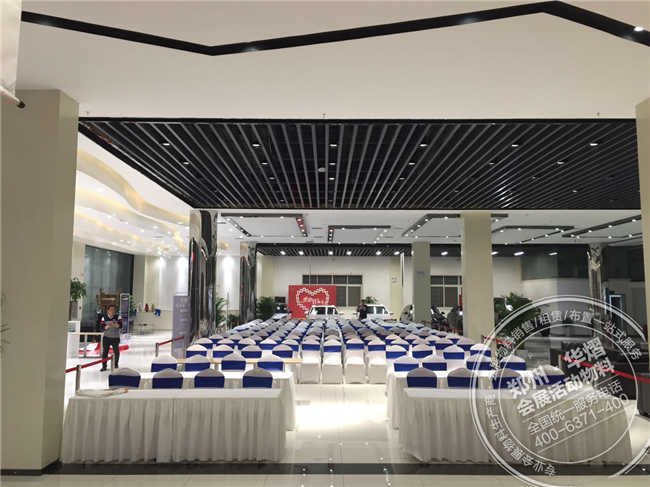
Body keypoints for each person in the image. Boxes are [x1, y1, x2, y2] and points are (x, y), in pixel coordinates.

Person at [100, 304, 121, 371]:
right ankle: (104, 366)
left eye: (114, 310)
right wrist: (106, 327)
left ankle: (115, 364)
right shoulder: (104, 317)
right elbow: (101, 327)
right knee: (105, 352)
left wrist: (116, 324)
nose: (112, 311)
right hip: (106, 338)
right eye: (111, 310)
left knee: (116, 352)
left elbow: (121, 326)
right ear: (108, 311)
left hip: (115, 337)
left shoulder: (118, 317)